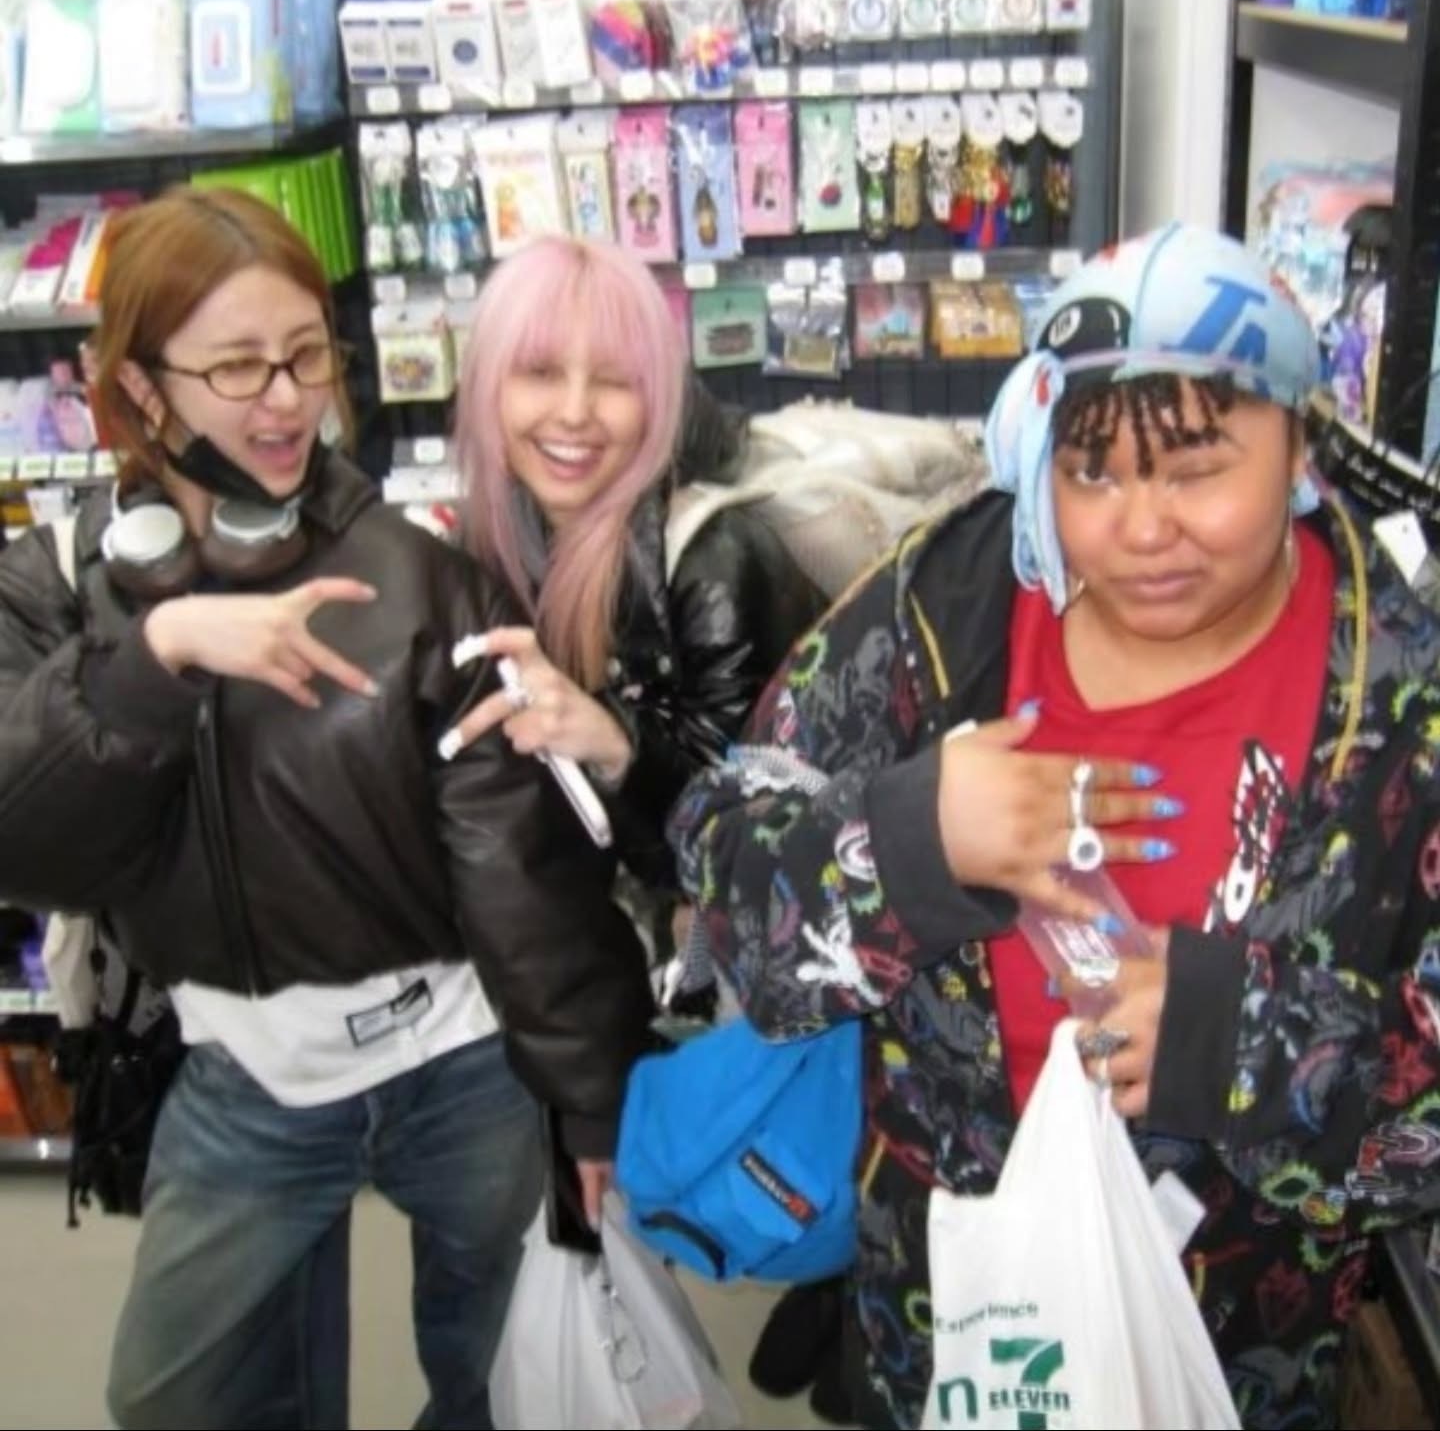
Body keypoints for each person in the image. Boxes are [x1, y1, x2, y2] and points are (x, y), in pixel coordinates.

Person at [668, 223, 1440, 1430]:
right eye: (1093, 472)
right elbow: (719, 860)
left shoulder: (1399, 698)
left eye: (1197, 468)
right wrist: (908, 848)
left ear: (1298, 444)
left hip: (1230, 1355)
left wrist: (1234, 1042)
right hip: (947, 1322)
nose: (1142, 527)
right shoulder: (953, 607)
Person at [0, 187, 653, 1430]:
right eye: (237, 367)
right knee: (173, 1398)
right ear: (138, 388)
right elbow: (26, 843)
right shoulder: (67, 588)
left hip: (461, 1070)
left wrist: (588, 1100)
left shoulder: (419, 581)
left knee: (500, 1382)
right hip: (247, 1082)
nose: (287, 400)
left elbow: (519, 878)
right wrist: (159, 660)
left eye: (306, 355)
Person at [441, 234, 827, 944]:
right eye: (540, 372)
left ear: (657, 398)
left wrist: (617, 746)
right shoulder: (478, 546)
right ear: (489, 383)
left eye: (614, 380)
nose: (574, 412)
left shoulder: (715, 561)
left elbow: (751, 854)